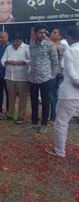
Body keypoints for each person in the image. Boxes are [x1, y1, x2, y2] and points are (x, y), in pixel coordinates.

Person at [45, 26, 79, 157]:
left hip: (69, 93)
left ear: (69, 37)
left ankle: (59, 150)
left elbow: (73, 76)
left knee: (61, 122)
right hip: (71, 93)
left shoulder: (70, 51)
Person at [28, 24, 59, 134]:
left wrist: (52, 77)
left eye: (44, 32)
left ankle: (44, 124)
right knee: (33, 100)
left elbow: (55, 63)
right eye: (40, 32)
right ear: (35, 33)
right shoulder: (31, 46)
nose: (42, 35)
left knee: (45, 101)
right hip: (33, 78)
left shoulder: (49, 46)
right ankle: (34, 121)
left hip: (46, 78)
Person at [1, 33, 30, 124]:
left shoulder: (27, 48)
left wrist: (23, 62)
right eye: (13, 41)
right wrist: (8, 61)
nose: (15, 43)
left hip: (22, 77)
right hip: (9, 76)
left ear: (21, 40)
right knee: (11, 97)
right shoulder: (9, 48)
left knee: (22, 98)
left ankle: (21, 116)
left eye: (17, 41)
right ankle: (10, 114)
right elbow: (2, 60)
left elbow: (32, 60)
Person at [0, 31, 10, 117]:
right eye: (0, 37)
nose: (1, 39)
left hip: (7, 73)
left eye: (2, 37)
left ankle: (8, 109)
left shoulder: (10, 47)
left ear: (7, 37)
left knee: (8, 93)